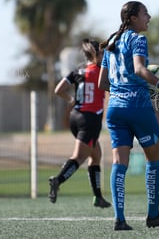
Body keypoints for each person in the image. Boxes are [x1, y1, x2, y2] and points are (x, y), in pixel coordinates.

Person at [98, 1, 159, 231]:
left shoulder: (111, 43)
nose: (149, 17)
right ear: (133, 18)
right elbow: (140, 70)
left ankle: (119, 219)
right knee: (154, 159)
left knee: (119, 163)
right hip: (138, 108)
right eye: (145, 13)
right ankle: (153, 215)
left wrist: (121, 92)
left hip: (114, 109)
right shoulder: (138, 39)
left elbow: (102, 83)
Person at [48, 38, 111, 209]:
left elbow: (58, 89)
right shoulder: (101, 71)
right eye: (102, 52)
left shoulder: (78, 70)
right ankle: (58, 180)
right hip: (90, 120)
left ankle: (98, 197)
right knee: (79, 156)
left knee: (95, 154)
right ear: (95, 54)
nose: (105, 54)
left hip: (75, 117)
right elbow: (111, 87)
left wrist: (70, 100)